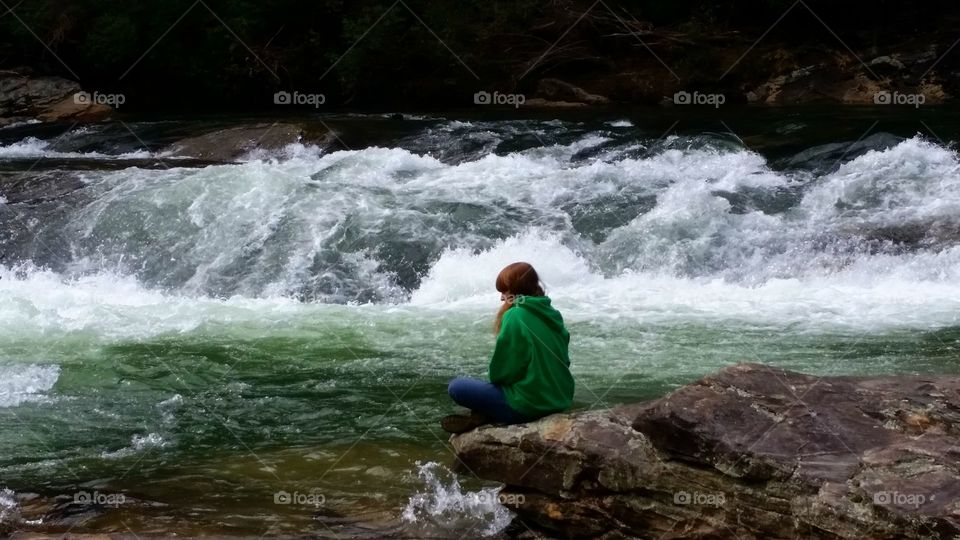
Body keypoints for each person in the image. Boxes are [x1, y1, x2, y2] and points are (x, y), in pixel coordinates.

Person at [441, 262, 574, 434]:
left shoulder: (515, 315)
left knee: (457, 387)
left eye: (504, 291)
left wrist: (495, 385)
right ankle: (487, 413)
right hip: (560, 399)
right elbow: (565, 360)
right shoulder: (552, 313)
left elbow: (503, 373)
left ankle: (487, 414)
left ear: (517, 290)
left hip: (530, 405)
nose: (502, 298)